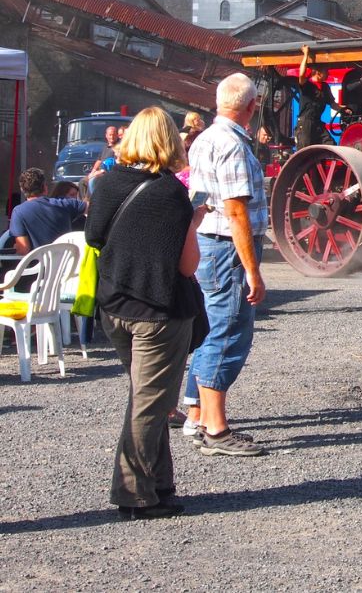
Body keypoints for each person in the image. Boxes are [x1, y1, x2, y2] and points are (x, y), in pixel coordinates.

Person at [85, 106, 206, 520]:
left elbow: (93, 235)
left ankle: (159, 485)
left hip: (115, 306)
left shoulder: (107, 184)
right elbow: (188, 266)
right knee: (149, 405)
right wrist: (192, 221)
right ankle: (133, 494)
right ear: (169, 141)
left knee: (148, 400)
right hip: (158, 312)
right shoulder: (170, 193)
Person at [182, 73, 268, 456]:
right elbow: (236, 211)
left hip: (208, 242)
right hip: (226, 248)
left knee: (208, 328)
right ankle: (216, 431)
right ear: (251, 107)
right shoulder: (232, 145)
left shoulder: (203, 138)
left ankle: (197, 414)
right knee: (229, 331)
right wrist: (252, 270)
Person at [9, 167, 87, 254]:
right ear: (45, 187)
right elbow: (94, 207)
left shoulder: (18, 212)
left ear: (22, 190)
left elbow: (23, 250)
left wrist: (17, 247)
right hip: (67, 264)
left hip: (37, 266)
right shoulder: (66, 204)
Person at [292, 66, 349, 148]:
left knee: (331, 145)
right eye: (326, 71)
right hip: (305, 123)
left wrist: (345, 109)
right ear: (318, 73)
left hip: (317, 123)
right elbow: (301, 75)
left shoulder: (325, 87)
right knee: (305, 150)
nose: (328, 74)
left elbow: (333, 104)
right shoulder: (307, 84)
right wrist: (305, 55)